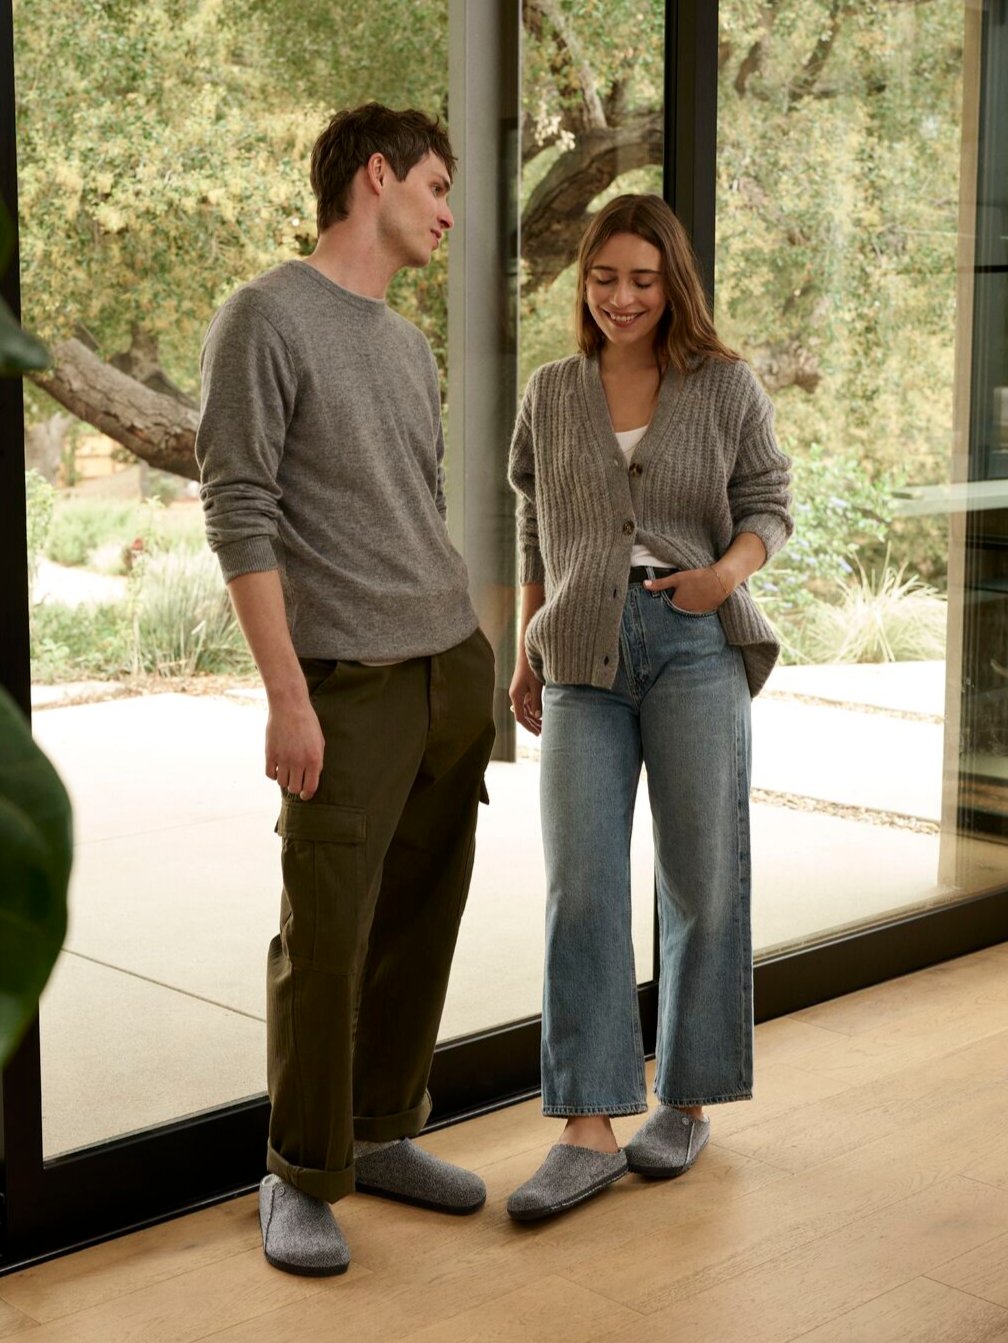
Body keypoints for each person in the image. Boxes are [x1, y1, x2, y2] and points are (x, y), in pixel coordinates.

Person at [196, 103, 496, 1276]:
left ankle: (379, 1132)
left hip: (445, 667)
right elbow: (240, 512)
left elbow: (410, 509)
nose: (446, 211)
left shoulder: (403, 343)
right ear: (374, 175)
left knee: (420, 921)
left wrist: (475, 655)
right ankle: (300, 1169)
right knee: (325, 935)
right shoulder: (263, 316)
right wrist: (287, 695)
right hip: (346, 684)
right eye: (434, 185)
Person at [505, 193, 792, 1220]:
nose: (623, 297)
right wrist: (526, 645)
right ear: (583, 282)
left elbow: (770, 500)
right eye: (604, 276)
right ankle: (587, 1123)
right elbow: (537, 519)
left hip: (695, 641)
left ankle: (687, 1094)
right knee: (579, 883)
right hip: (580, 646)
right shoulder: (551, 389)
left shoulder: (724, 386)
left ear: (674, 283)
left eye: (643, 277)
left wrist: (725, 574)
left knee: (701, 879)